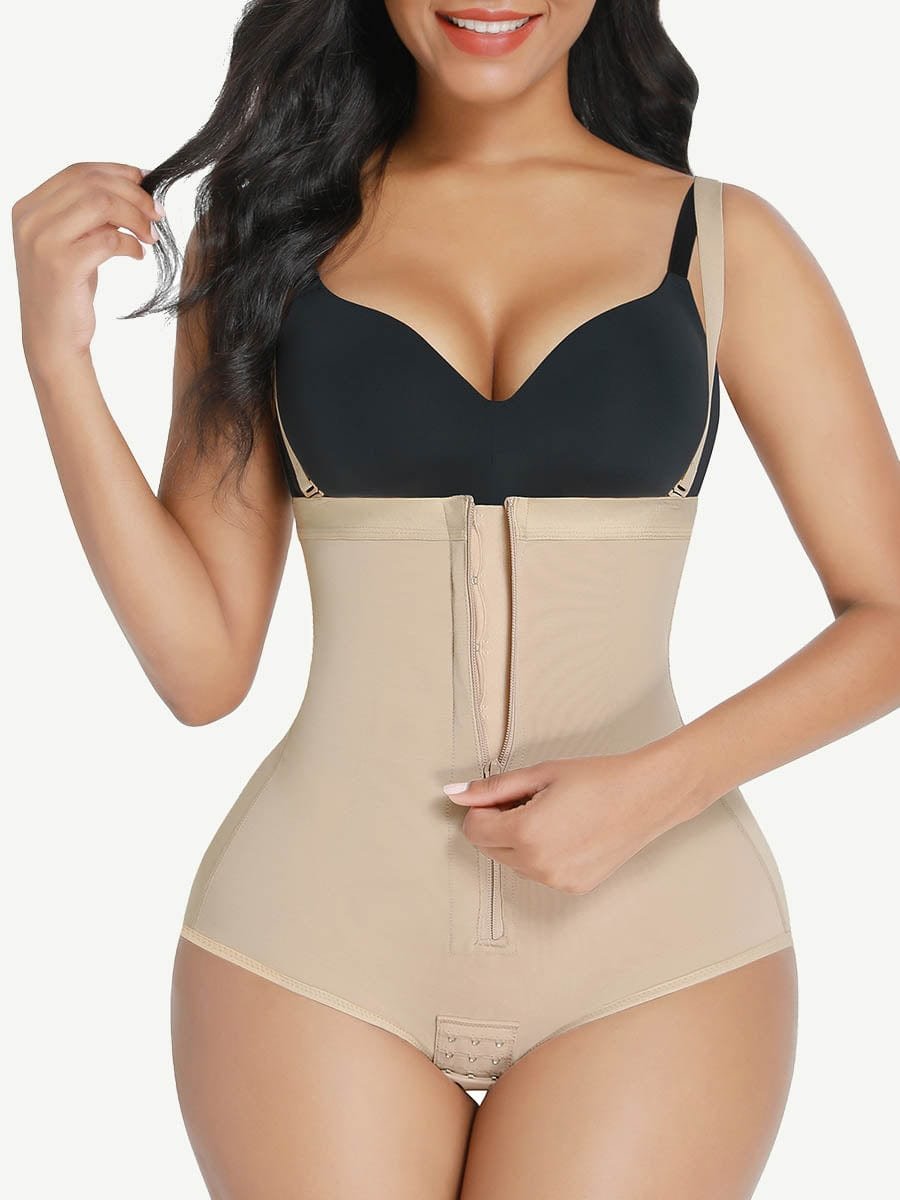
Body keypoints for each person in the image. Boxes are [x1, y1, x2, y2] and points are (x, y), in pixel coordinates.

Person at [12, 2, 900, 1197]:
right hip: (315, 945)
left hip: (655, 951)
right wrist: (57, 360)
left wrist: (657, 787)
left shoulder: (722, 241)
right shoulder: (268, 236)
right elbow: (203, 669)